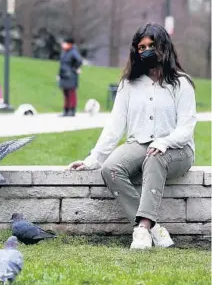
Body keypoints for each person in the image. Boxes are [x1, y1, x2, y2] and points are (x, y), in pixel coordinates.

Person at [67, 23, 197, 249]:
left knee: (156, 157)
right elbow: (115, 125)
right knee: (111, 169)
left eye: (151, 45)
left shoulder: (181, 83)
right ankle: (152, 227)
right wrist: (93, 159)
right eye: (141, 47)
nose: (146, 50)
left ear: (163, 47)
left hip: (178, 148)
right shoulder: (129, 84)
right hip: (140, 143)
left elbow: (186, 128)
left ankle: (143, 230)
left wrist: (165, 142)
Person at [57, 37, 83, 117]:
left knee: (71, 93)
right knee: (66, 94)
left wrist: (75, 68)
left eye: (65, 43)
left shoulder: (73, 52)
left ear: (70, 44)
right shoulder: (64, 52)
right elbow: (62, 65)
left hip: (71, 76)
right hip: (64, 75)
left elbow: (79, 60)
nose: (63, 45)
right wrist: (58, 74)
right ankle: (66, 110)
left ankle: (72, 110)